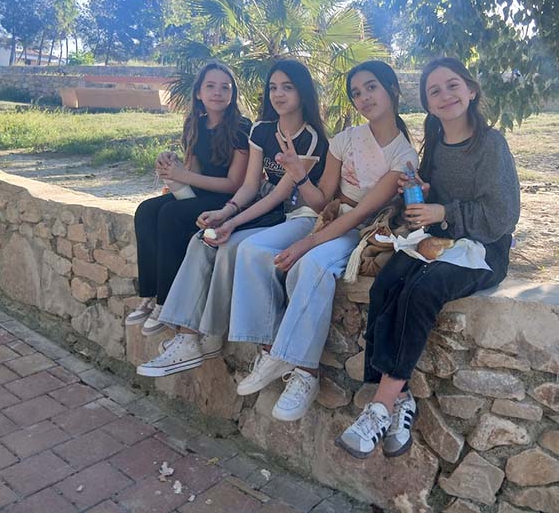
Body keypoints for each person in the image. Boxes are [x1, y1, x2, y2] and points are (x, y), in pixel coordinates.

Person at [336, 57, 520, 458]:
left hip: (485, 249)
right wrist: (420, 190)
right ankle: (399, 397)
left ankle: (381, 405)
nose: (445, 95)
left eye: (452, 85)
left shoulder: (491, 144)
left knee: (422, 289)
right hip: (442, 241)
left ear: (471, 91)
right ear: (427, 103)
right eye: (434, 90)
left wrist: (443, 211)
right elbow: (434, 202)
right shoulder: (434, 141)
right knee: (387, 284)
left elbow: (503, 215)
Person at [228, 61, 419, 422]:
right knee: (262, 253)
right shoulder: (345, 140)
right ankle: (273, 352)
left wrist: (308, 243)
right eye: (357, 93)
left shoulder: (404, 156)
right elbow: (322, 202)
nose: (364, 97)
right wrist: (300, 176)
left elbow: (361, 214)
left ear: (392, 89)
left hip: (363, 231)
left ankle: (304, 372)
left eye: (371, 87)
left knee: (313, 263)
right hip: (330, 220)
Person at [135, 59, 328, 376]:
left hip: (291, 213)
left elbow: (279, 196)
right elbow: (250, 185)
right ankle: (187, 337)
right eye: (273, 87)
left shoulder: (311, 138)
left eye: (287, 87)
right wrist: (225, 214)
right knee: (204, 239)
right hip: (261, 204)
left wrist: (231, 222)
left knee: (228, 246)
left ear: (303, 92)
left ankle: (207, 335)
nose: (278, 94)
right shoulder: (263, 130)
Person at [126, 61, 251, 335]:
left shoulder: (241, 128)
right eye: (211, 86)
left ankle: (166, 301)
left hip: (227, 201)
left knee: (170, 215)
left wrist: (184, 175)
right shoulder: (195, 123)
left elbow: (235, 184)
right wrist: (171, 164)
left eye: (225, 87)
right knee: (146, 210)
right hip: (200, 194)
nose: (218, 92)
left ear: (232, 94)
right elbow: (192, 170)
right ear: (198, 92)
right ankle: (149, 294)